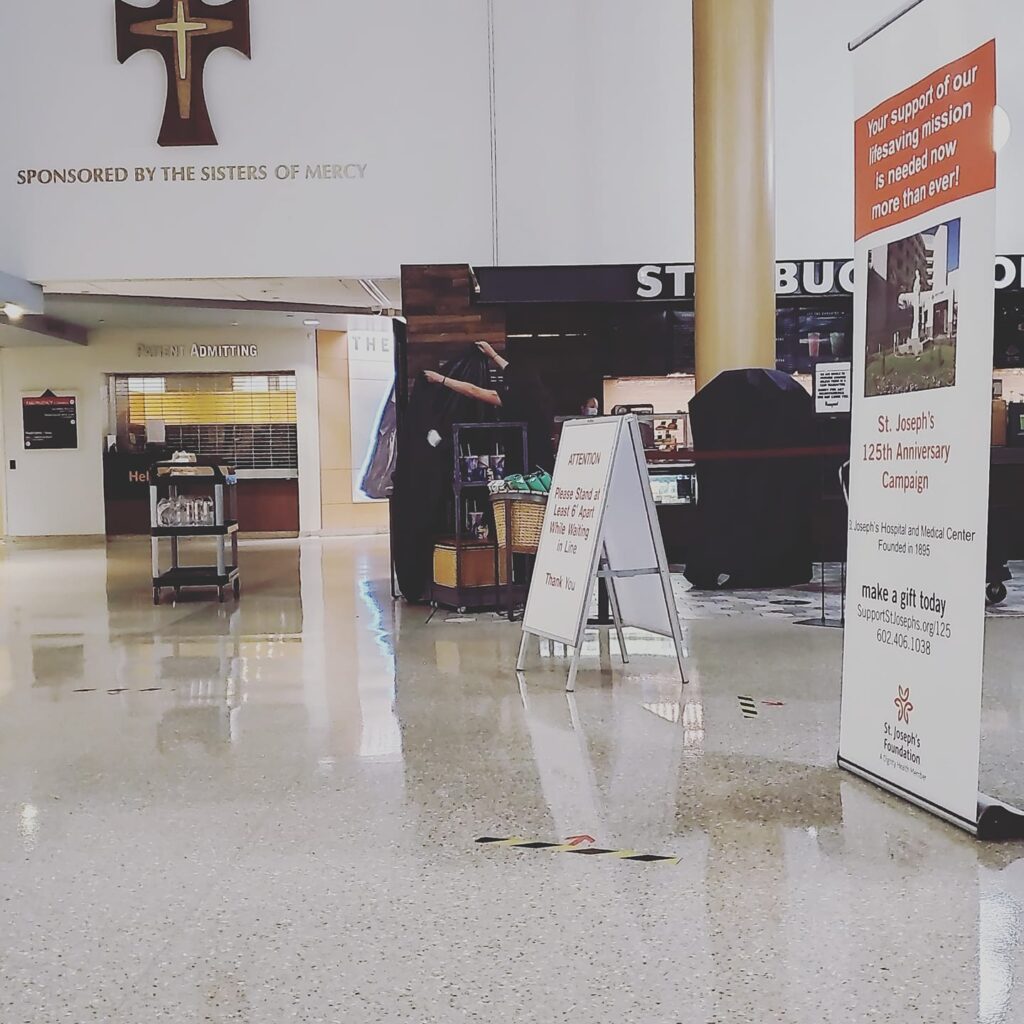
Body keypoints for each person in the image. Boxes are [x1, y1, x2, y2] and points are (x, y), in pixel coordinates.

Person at [424, 342, 554, 471]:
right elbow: (511, 370)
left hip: (529, 460)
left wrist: (441, 379)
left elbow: (473, 391)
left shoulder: (518, 397)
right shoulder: (537, 392)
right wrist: (493, 354)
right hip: (541, 455)